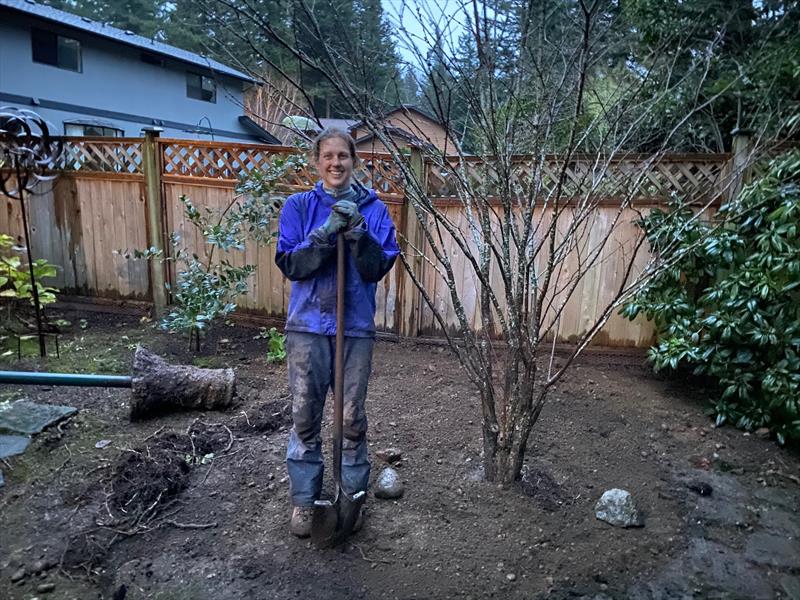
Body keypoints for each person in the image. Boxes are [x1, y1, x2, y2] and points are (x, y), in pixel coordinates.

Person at [274, 128, 400, 538]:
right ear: (317, 161)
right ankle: (305, 501)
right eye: (327, 156)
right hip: (308, 328)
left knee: (351, 420)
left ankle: (352, 497)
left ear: (354, 161)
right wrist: (327, 233)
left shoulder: (375, 209)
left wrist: (359, 233)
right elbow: (292, 264)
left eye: (343, 156)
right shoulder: (298, 206)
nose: (335, 163)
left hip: (355, 329)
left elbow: (376, 268)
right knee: (305, 417)